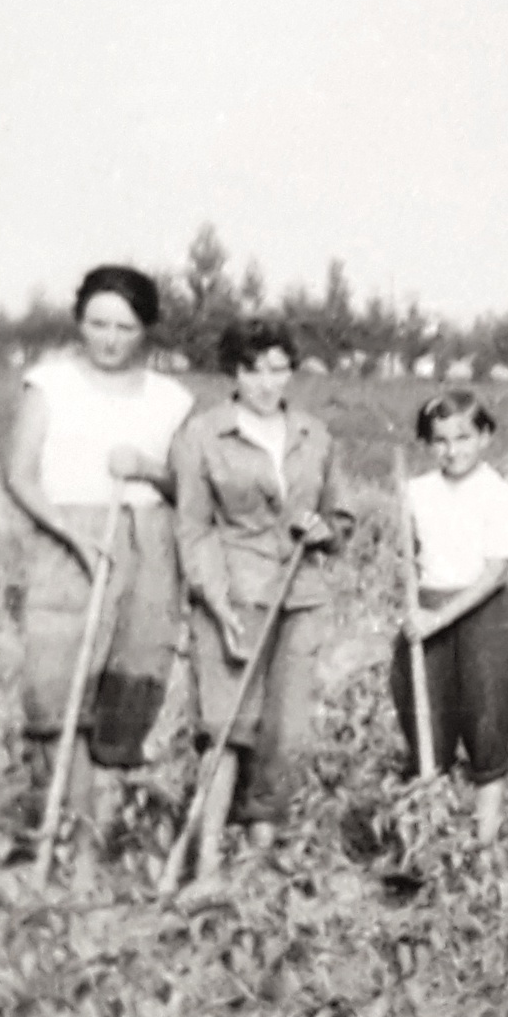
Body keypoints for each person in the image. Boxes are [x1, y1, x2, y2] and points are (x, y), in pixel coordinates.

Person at [3, 265, 193, 833]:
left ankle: (101, 834)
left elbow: (186, 485)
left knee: (130, 680)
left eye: (125, 328)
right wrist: (70, 535)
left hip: (146, 539)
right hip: (68, 538)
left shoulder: (171, 398)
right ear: (79, 321)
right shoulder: (50, 384)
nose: (109, 339)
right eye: (98, 324)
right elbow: (18, 473)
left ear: (147, 330)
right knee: (57, 683)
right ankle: (66, 830)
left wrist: (149, 469)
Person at [171, 319, 354, 878]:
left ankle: (257, 857)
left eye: (278, 368)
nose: (266, 382)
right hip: (235, 592)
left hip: (301, 596)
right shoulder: (204, 434)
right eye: (254, 369)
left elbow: (340, 514)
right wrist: (217, 600)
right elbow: (194, 528)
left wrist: (324, 529)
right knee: (226, 727)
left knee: (284, 731)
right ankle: (204, 862)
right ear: (234, 371)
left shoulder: (313, 435)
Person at [394, 390, 508, 846]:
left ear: (485, 436)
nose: (452, 451)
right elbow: (410, 558)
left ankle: (484, 842)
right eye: (440, 441)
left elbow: (495, 573)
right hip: (428, 608)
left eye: (463, 437)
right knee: (426, 724)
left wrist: (439, 619)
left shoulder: (497, 492)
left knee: (487, 720)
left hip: (481, 614)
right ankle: (426, 842)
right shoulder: (416, 492)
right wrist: (415, 607)